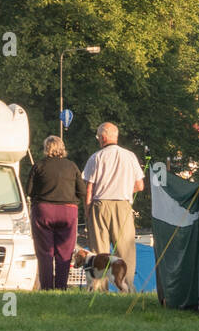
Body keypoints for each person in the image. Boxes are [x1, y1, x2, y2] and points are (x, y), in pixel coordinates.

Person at [82, 122, 144, 293]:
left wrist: (87, 211)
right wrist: (125, 189)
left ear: (102, 138)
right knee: (126, 250)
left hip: (100, 205)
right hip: (123, 206)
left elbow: (89, 189)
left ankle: (100, 290)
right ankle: (127, 287)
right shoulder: (130, 156)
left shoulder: (96, 157)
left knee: (99, 251)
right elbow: (140, 185)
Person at [27, 135, 87, 290]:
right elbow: (82, 191)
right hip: (68, 211)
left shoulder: (39, 166)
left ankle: (46, 288)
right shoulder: (72, 166)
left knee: (45, 253)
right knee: (65, 253)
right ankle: (61, 287)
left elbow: (29, 191)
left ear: (46, 148)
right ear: (62, 148)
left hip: (43, 211)